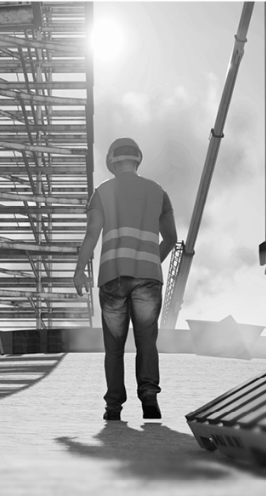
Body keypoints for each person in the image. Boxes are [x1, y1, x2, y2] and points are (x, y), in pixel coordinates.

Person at [73, 138, 177, 421]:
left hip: (112, 277)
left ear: (112, 161)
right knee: (146, 341)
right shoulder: (158, 192)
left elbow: (92, 235)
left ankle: (114, 407)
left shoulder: (102, 192)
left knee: (114, 347)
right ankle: (149, 399)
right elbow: (171, 238)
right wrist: (151, 261)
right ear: (137, 159)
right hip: (148, 278)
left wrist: (80, 269)